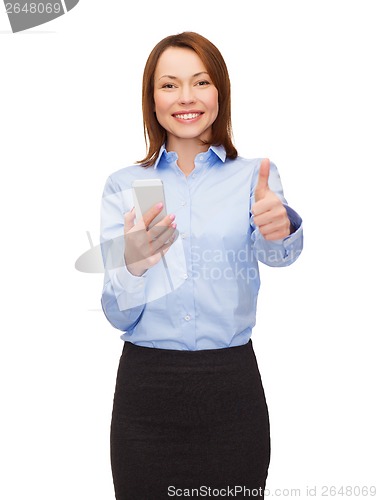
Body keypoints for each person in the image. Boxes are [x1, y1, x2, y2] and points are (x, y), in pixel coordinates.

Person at [100, 31, 303, 499]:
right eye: (169, 85)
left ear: (220, 93)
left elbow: (279, 254)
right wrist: (133, 266)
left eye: (201, 82)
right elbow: (118, 315)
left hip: (231, 391)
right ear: (151, 100)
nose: (186, 98)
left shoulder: (254, 177)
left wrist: (283, 226)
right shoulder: (125, 185)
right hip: (145, 393)